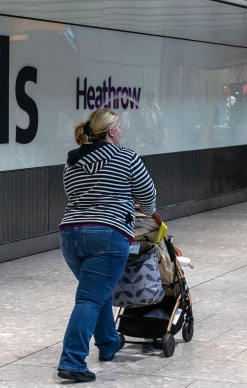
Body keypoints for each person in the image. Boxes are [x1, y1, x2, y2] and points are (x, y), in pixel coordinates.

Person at [57, 108, 156, 383]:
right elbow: (148, 194)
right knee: (89, 298)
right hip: (107, 234)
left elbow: (72, 193)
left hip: (70, 234)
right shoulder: (126, 156)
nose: (122, 132)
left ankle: (109, 342)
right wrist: (144, 209)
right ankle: (72, 361)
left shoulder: (73, 161)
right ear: (112, 131)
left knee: (94, 292)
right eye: (120, 127)